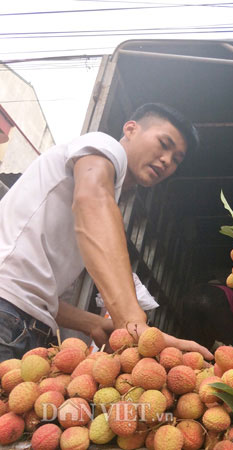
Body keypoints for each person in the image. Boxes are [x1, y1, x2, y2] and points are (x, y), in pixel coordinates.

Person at [0, 103, 213, 362]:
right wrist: (132, 321)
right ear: (131, 129)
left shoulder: (109, 194)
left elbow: (33, 289)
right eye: (164, 143)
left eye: (176, 159)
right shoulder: (104, 146)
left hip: (23, 325)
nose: (167, 160)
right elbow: (92, 199)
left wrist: (92, 323)